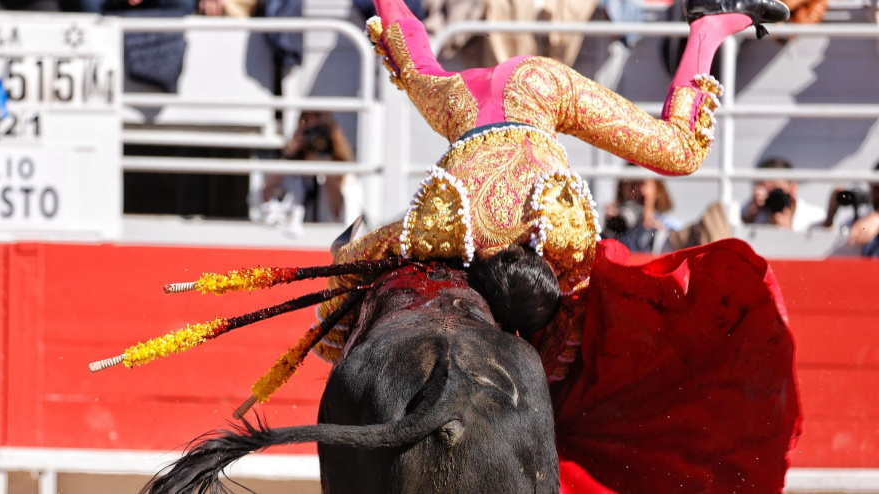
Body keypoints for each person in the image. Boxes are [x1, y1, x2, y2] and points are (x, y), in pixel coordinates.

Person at [96, 0, 801, 491]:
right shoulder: (544, 82)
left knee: (347, 304)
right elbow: (678, 151)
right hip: (521, 219)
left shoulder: (452, 95)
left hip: (442, 222)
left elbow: (409, 46)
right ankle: (711, 17)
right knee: (590, 303)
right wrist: (710, 34)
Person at [261, 112, 354, 231]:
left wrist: (325, 164)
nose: (316, 139)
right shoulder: (287, 173)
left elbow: (340, 212)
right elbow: (264, 198)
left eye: (320, 131)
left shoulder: (347, 175)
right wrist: (287, 155)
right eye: (309, 131)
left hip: (328, 241)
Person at [603, 168, 681, 253]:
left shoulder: (670, 227)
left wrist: (662, 238)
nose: (635, 191)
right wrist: (609, 230)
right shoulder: (619, 227)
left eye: (641, 183)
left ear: (657, 190)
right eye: (631, 185)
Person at [740, 157, 826, 232]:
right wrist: (750, 219)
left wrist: (789, 233)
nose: (773, 199)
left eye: (777, 192)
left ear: (793, 188)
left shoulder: (816, 217)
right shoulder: (751, 214)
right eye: (768, 194)